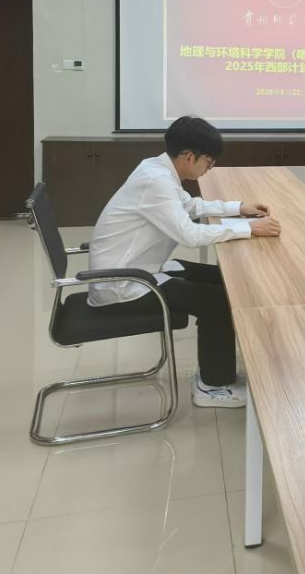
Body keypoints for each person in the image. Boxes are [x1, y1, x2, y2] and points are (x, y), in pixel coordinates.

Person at [86, 115, 281, 409]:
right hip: (124, 285)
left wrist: (238, 208)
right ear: (189, 156)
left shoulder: (157, 169)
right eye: (208, 162)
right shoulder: (156, 180)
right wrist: (249, 228)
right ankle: (213, 387)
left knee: (222, 280)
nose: (209, 169)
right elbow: (190, 234)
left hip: (140, 270)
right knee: (218, 301)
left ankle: (216, 369)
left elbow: (188, 206)